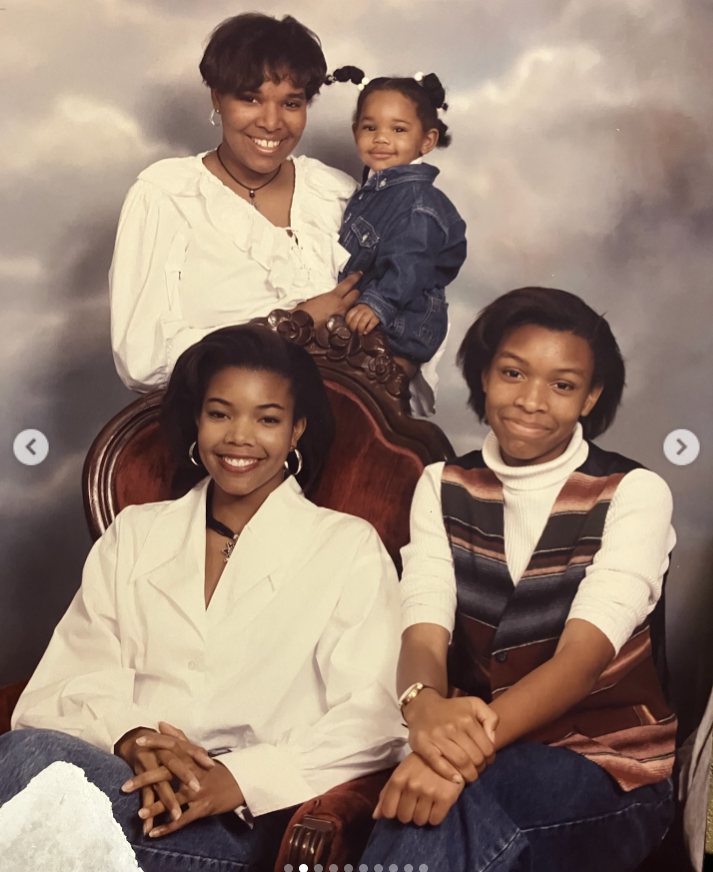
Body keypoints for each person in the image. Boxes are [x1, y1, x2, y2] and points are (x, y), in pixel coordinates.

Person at [1, 325, 405, 872]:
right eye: (220, 413)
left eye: (267, 419)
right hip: (117, 784)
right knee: (31, 766)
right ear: (197, 421)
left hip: (235, 821)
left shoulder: (346, 547)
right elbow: (59, 686)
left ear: (296, 432)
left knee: (32, 801)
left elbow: (376, 718)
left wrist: (240, 779)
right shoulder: (136, 534)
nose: (240, 437)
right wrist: (133, 735)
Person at [361, 287, 677, 871]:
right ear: (484, 376)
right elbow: (425, 629)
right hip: (485, 745)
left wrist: (447, 756)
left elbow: (581, 662)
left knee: (445, 802)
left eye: (562, 385)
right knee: (436, 809)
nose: (532, 401)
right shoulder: (442, 484)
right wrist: (423, 706)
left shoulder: (634, 493)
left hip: (611, 765)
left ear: (590, 397)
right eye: (513, 373)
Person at [110, 13, 362, 393]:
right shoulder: (166, 195)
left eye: (291, 103)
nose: (272, 122)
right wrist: (291, 324)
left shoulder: (337, 193)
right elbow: (141, 360)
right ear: (217, 98)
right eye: (251, 99)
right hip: (217, 436)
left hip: (349, 431)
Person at [328, 66, 467, 415]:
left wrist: (378, 303)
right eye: (370, 127)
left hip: (402, 321)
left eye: (398, 129)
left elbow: (411, 263)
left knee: (371, 405)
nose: (381, 138)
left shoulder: (418, 203)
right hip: (375, 317)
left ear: (427, 141)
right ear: (355, 131)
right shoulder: (374, 191)